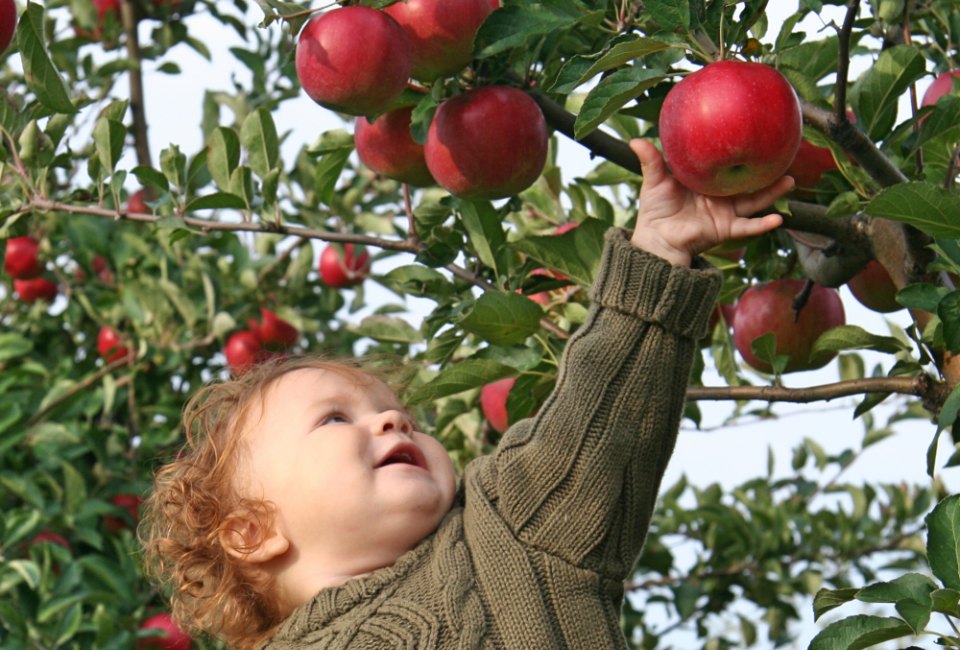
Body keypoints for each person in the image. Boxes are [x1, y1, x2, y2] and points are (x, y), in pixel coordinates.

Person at [140, 140, 791, 649]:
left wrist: (658, 256)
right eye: (335, 419)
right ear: (252, 531)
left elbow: (595, 425)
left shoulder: (503, 532)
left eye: (399, 413)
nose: (393, 419)